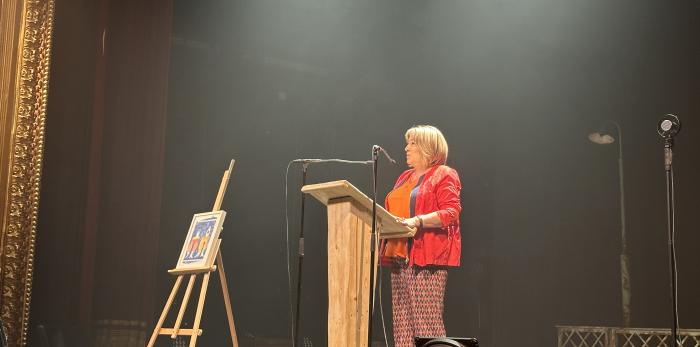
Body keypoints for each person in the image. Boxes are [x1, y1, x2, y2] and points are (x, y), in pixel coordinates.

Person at [381, 125, 462, 347]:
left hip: (426, 260)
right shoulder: (404, 177)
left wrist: (418, 221)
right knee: (403, 329)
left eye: (413, 143)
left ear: (428, 147)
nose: (406, 148)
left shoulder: (444, 174)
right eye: (407, 143)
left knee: (426, 327)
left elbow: (451, 213)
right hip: (399, 258)